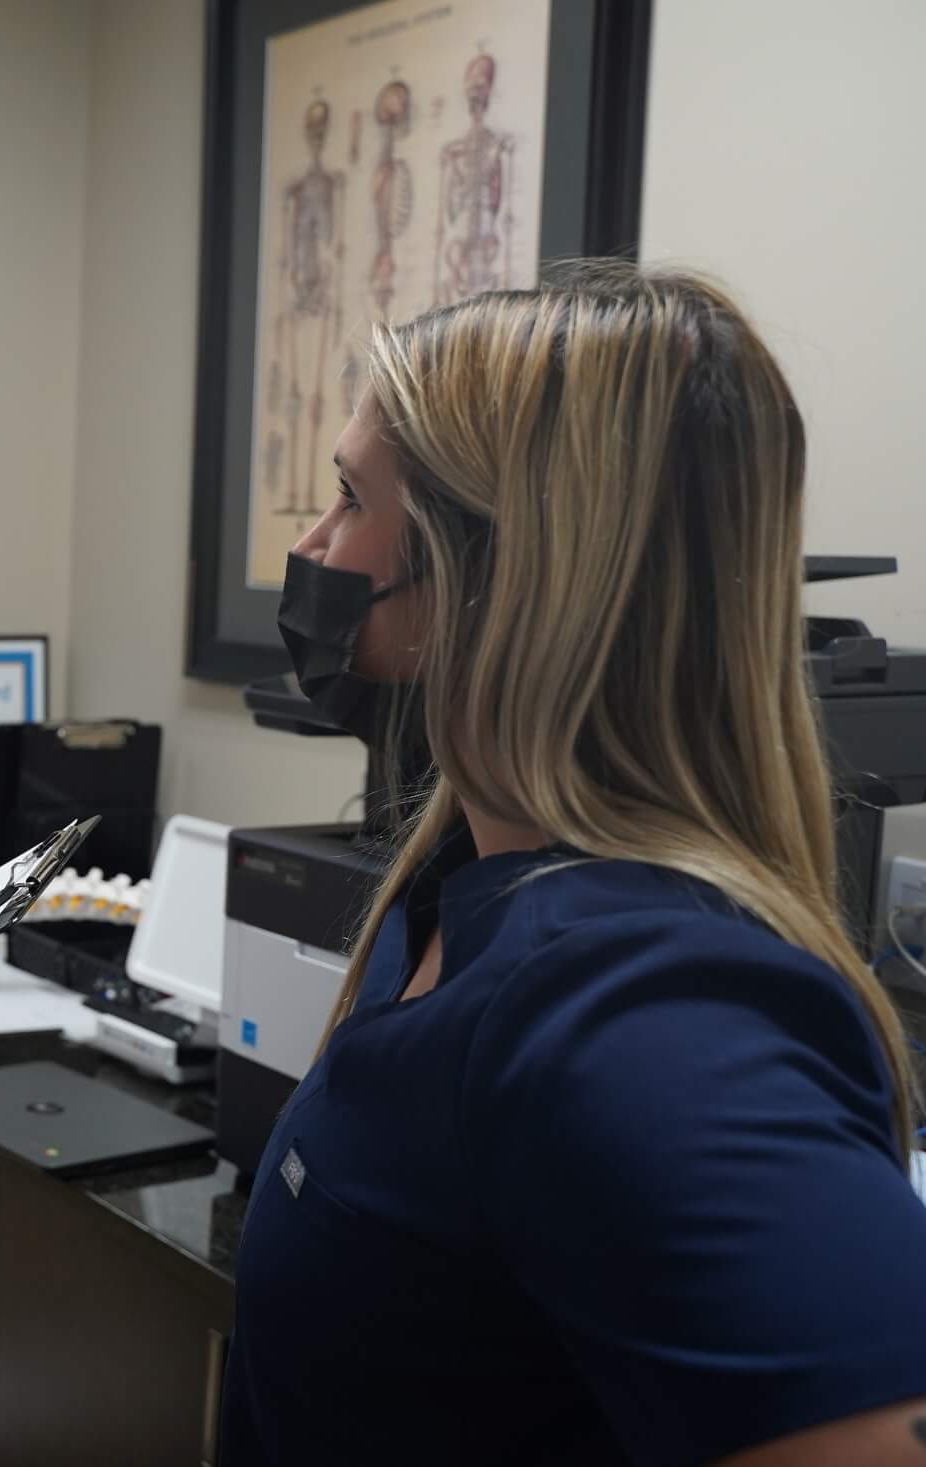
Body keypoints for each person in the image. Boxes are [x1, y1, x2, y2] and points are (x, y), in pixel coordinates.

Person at [226, 263, 926, 1465]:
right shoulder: (461, 870)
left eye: (349, 500)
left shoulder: (634, 1007)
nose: (314, 545)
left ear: (487, 571)